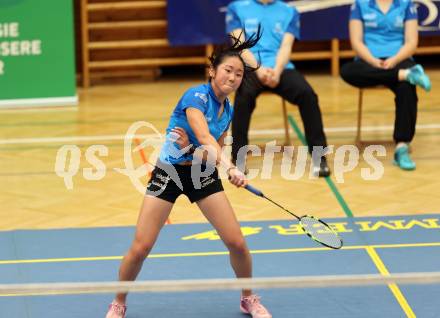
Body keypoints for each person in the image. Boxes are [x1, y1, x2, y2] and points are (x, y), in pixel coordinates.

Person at [105, 30, 272, 318]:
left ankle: (248, 298)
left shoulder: (227, 111)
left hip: (201, 174)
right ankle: (118, 302)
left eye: (238, 74)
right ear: (212, 71)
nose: (232, 78)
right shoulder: (195, 95)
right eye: (227, 71)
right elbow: (205, 136)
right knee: (141, 245)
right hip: (169, 172)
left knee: (237, 243)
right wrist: (230, 166)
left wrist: (201, 155)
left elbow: (209, 152)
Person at [226, 0, 331, 177]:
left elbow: (286, 46)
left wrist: (277, 70)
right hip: (250, 67)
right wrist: (259, 70)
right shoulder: (236, 8)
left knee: (308, 95)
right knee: (243, 98)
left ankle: (319, 157)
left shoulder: (289, 11)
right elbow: (240, 47)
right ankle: (238, 158)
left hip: (280, 68)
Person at [340, 0, 431, 171]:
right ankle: (406, 75)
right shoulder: (360, 4)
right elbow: (356, 42)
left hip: (398, 59)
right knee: (347, 70)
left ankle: (402, 146)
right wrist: (373, 61)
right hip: (368, 61)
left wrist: (395, 60)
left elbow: (411, 42)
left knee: (407, 88)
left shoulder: (406, 4)